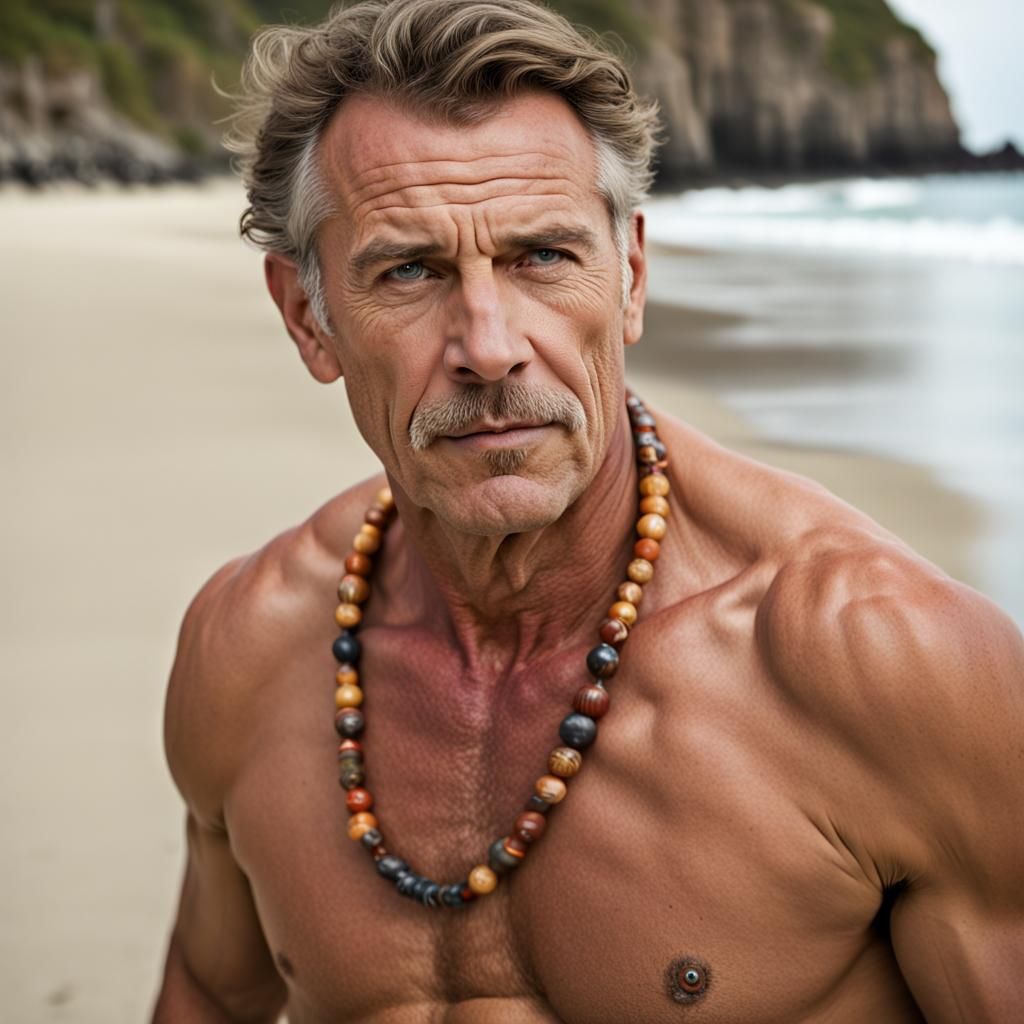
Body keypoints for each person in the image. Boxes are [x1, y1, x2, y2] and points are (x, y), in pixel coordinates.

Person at [151, 1, 1024, 1021]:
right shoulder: (251, 648)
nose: (488, 345)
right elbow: (211, 992)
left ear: (632, 275)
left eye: (541, 257)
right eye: (410, 270)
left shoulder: (881, 666)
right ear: (310, 317)